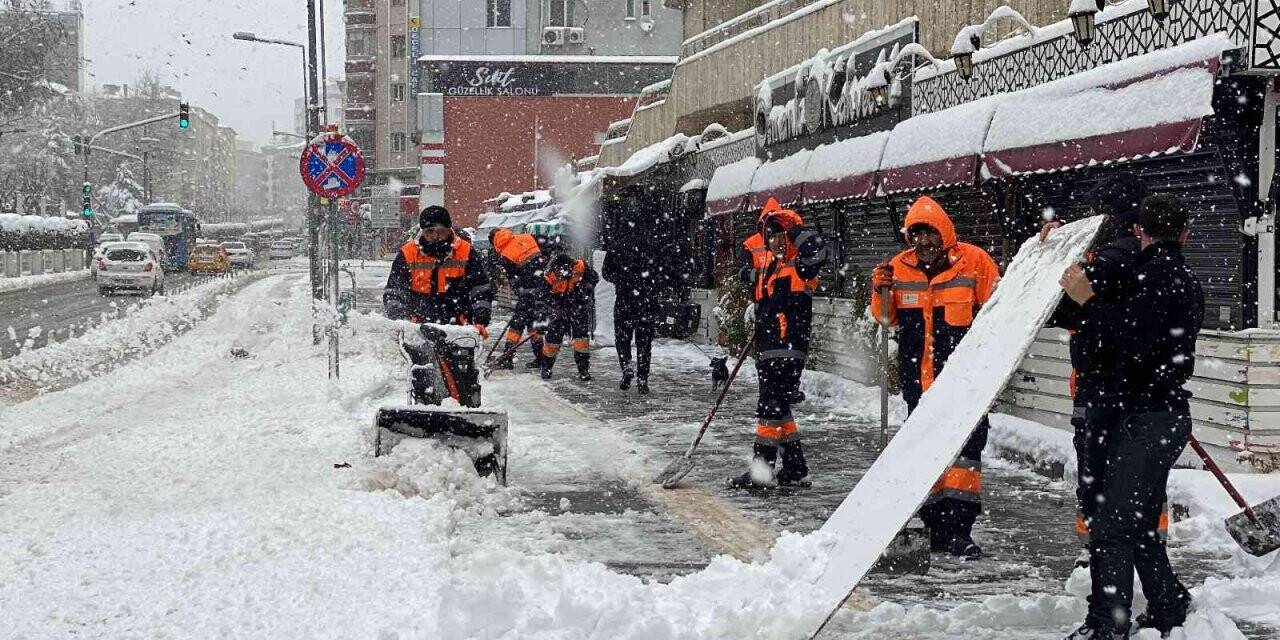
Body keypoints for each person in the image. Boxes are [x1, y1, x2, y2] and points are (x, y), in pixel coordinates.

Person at [1059, 194, 1202, 640]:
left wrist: (1084, 296)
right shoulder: (1165, 276)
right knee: (1136, 523)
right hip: (1156, 416)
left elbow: (1129, 343)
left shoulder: (1158, 277)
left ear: (1140, 232)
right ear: (1185, 233)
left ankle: (1108, 624)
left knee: (1113, 525)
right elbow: (1125, 336)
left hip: (1147, 420)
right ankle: (1168, 606)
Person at [1042, 175, 1172, 567]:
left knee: (1096, 472)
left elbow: (1059, 309)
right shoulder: (1156, 260)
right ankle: (1148, 548)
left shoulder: (1107, 259)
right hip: (1150, 389)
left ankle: (1101, 552)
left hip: (1100, 387)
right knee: (1144, 477)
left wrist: (1054, 256)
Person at [870, 195, 1000, 558]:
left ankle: (959, 529)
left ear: (944, 233)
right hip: (918, 383)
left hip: (965, 383)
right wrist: (880, 289)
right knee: (926, 455)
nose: (924, 243)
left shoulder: (974, 262)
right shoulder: (898, 268)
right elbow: (884, 319)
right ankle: (934, 524)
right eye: (916, 235)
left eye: (930, 235)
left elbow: (1000, 311)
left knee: (965, 457)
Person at [727, 197, 826, 488]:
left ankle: (763, 469)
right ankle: (795, 467)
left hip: (789, 346)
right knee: (778, 407)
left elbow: (816, 250)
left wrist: (793, 228)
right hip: (768, 345)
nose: (776, 241)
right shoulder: (772, 268)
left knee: (770, 406)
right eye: (771, 235)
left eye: (782, 235)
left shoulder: (801, 266)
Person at [383, 205, 492, 331]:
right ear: (422, 231)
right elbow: (395, 290)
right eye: (430, 231)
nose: (435, 236)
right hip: (417, 327)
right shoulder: (408, 254)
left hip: (459, 327)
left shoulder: (466, 252)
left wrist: (481, 316)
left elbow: (480, 288)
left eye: (440, 231)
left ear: (448, 229)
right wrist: (399, 316)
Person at [602, 231, 658, 394]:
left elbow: (606, 272)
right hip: (645, 300)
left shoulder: (616, 246)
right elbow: (660, 271)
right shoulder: (650, 246)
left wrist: (620, 279)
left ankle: (626, 366)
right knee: (644, 342)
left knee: (622, 338)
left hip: (624, 298)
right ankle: (642, 378)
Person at [489, 227, 549, 369]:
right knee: (532, 323)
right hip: (542, 287)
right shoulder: (526, 237)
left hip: (527, 291)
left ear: (494, 241)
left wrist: (519, 290)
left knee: (517, 324)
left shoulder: (505, 253)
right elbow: (545, 247)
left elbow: (513, 278)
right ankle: (540, 358)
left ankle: (507, 358)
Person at [539, 252, 599, 381]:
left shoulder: (581, 267)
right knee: (552, 341)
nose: (564, 273)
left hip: (578, 308)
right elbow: (544, 296)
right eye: (560, 270)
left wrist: (583, 291)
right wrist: (553, 308)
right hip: (559, 310)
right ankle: (546, 368)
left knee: (581, 340)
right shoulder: (550, 275)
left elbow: (594, 279)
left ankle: (583, 369)